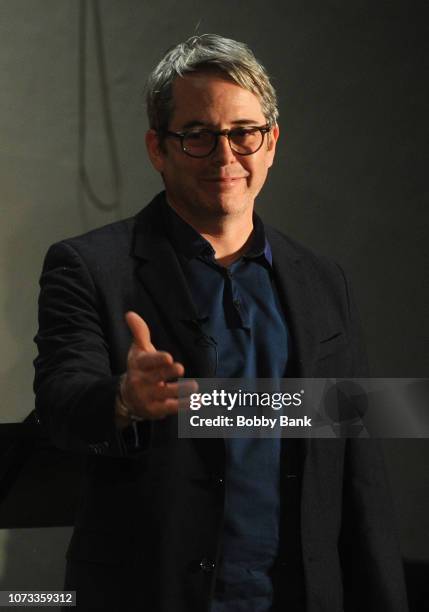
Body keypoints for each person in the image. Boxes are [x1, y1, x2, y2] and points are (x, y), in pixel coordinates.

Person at [33, 34, 408, 611]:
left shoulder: (323, 280)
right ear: (158, 147)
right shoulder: (89, 266)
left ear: (272, 142)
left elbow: (359, 471)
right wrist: (124, 399)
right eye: (198, 136)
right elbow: (62, 402)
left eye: (243, 134)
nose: (226, 157)